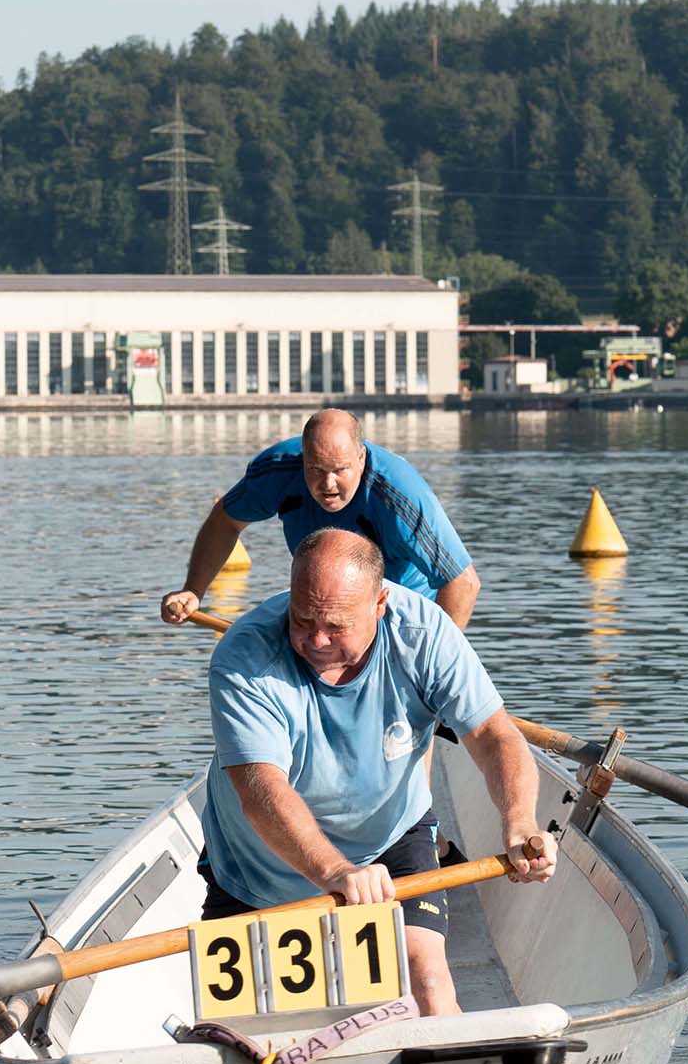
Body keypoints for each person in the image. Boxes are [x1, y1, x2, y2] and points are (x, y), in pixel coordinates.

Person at [197, 528, 554, 1016]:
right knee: (244, 1030)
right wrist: (336, 871)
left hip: (392, 837)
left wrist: (518, 821)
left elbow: (494, 735)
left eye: (335, 626)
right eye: (302, 619)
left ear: (380, 605)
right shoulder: (245, 657)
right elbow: (261, 792)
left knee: (427, 978)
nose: (316, 640)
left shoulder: (423, 634)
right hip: (258, 864)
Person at [162, 409, 479, 630]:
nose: (328, 484)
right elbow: (225, 521)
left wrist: (434, 666)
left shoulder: (401, 496)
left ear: (361, 459)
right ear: (302, 458)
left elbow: (462, 582)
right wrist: (193, 591)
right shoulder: (277, 470)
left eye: (340, 470)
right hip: (323, 610)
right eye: (315, 469)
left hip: (399, 612)